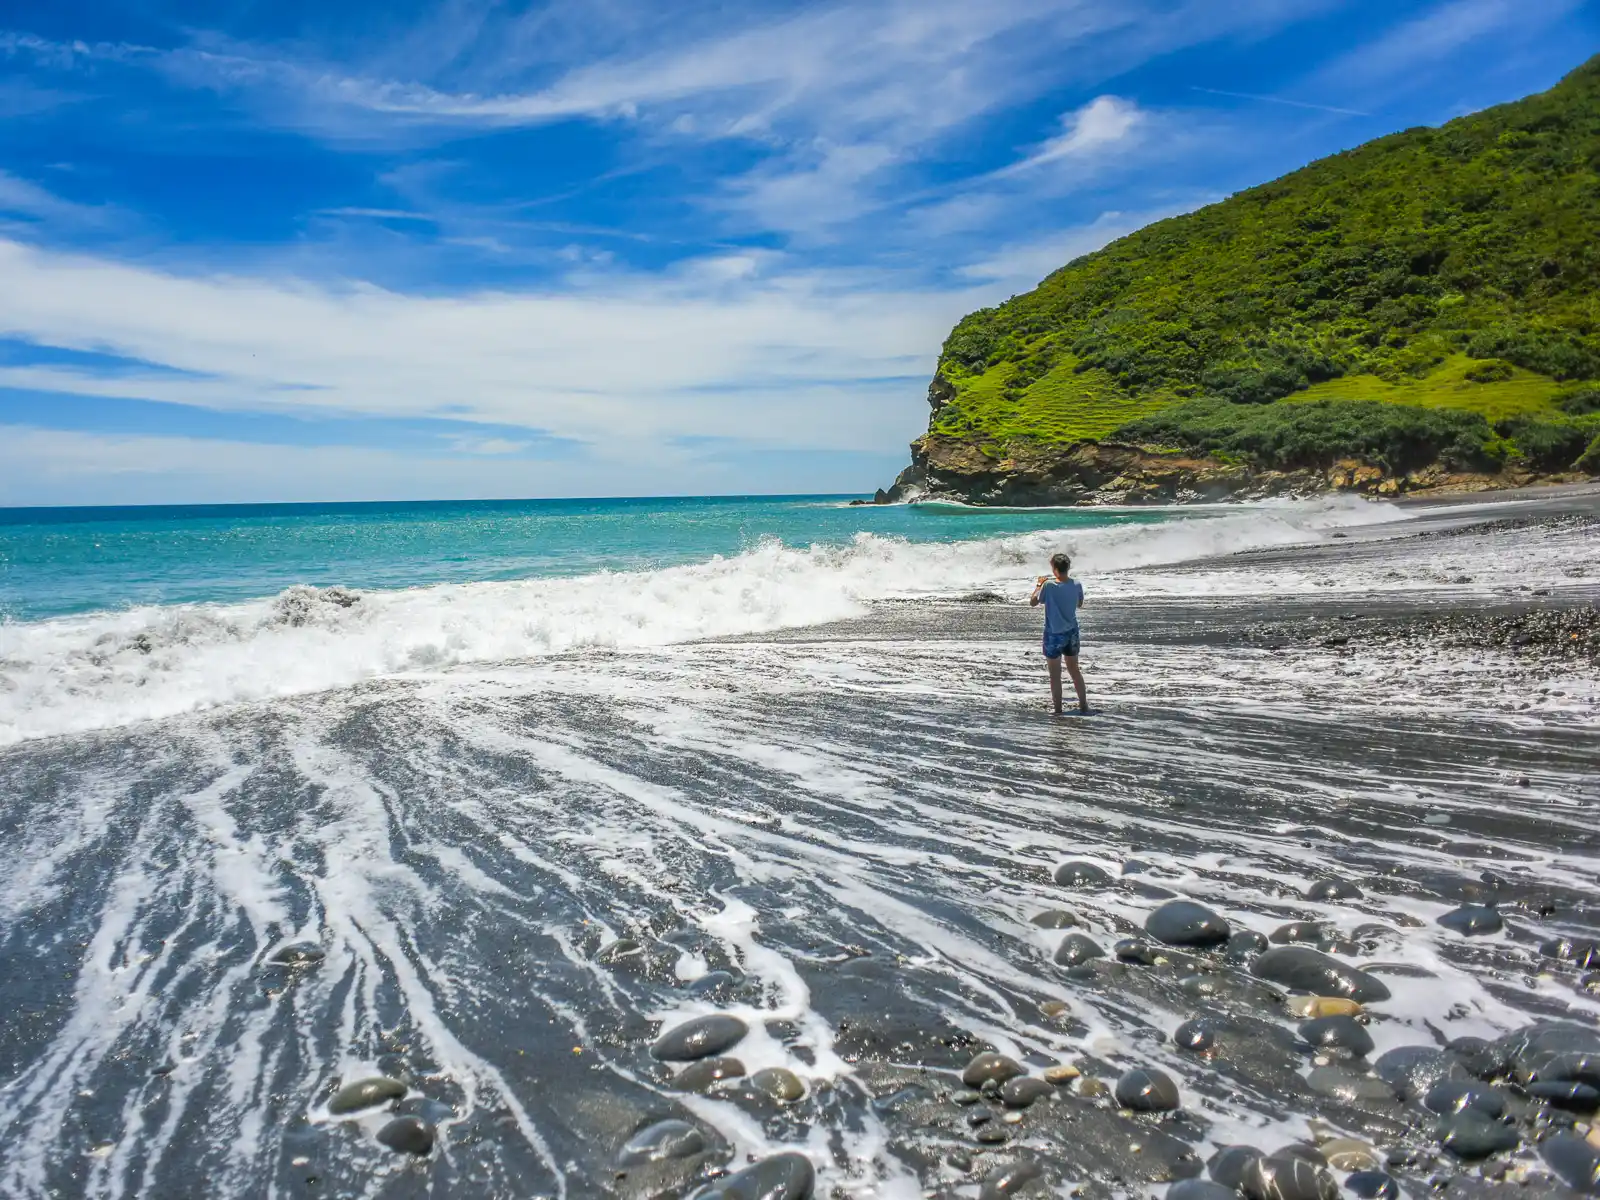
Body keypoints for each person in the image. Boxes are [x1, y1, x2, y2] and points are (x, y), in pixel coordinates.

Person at [1029, 552, 1087, 716]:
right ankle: (1084, 706)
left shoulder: (1048, 585)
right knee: (1074, 670)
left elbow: (1033, 602)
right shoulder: (1076, 584)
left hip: (1054, 634)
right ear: (1068, 568)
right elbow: (1080, 604)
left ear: (1054, 569)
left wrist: (1039, 585)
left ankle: (1058, 710)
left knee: (1055, 675)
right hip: (1072, 632)